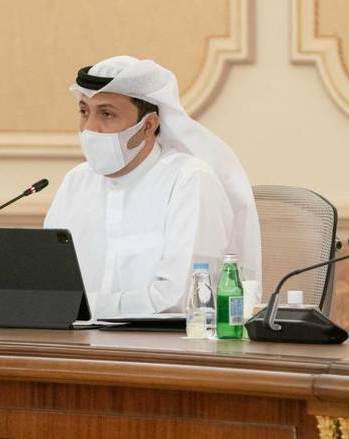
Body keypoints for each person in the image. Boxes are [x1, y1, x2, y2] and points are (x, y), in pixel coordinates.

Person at [45, 56, 261, 318]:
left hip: (161, 343)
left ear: (148, 126)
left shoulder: (189, 181)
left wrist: (79, 306)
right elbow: (48, 285)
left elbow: (179, 298)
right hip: (73, 339)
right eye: (84, 112)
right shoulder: (75, 182)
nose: (90, 129)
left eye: (106, 114)